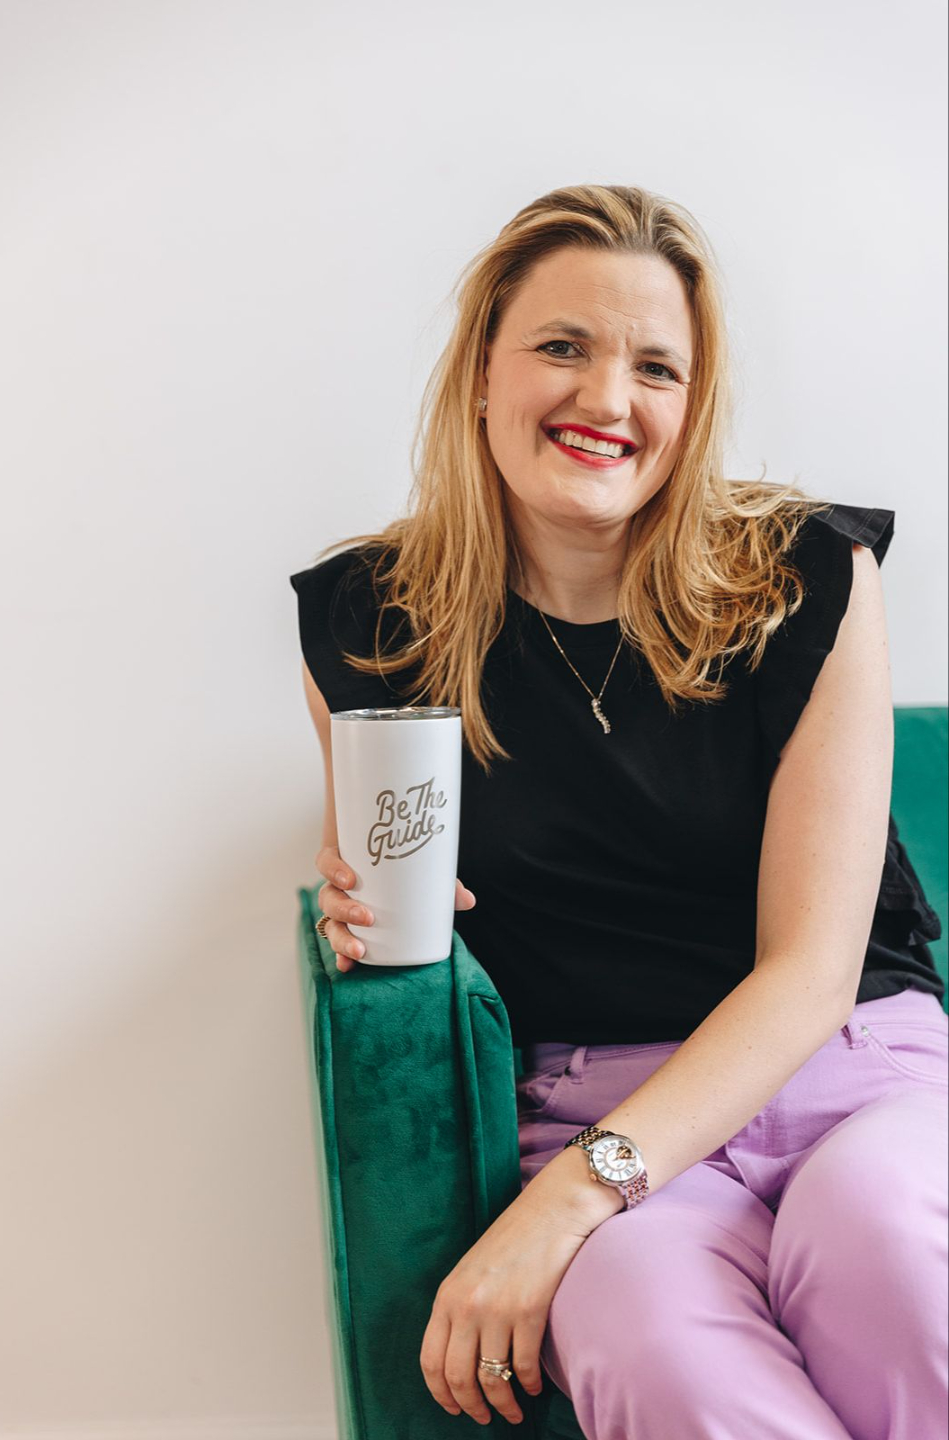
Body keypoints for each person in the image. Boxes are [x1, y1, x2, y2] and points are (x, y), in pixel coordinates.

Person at [289, 184, 948, 1440]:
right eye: (563, 346)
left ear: (693, 406)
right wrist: (362, 914)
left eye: (656, 367)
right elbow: (404, 899)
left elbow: (813, 972)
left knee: (888, 1252)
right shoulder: (372, 623)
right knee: (653, 1353)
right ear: (482, 370)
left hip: (851, 1066)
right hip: (588, 1093)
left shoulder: (805, 576)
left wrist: (564, 1203)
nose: (607, 398)